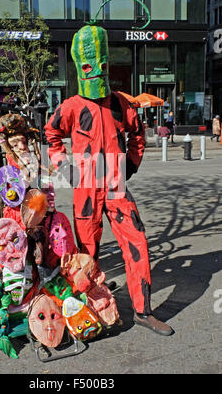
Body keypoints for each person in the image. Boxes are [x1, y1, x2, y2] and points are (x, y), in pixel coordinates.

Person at [45, 24, 174, 336]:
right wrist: (64, 168)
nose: (96, 73)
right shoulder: (71, 107)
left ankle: (143, 311)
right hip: (86, 186)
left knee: (137, 241)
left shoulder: (120, 102)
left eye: (101, 66)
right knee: (87, 252)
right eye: (89, 66)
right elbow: (52, 135)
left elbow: (138, 132)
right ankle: (92, 309)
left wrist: (131, 162)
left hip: (116, 183)